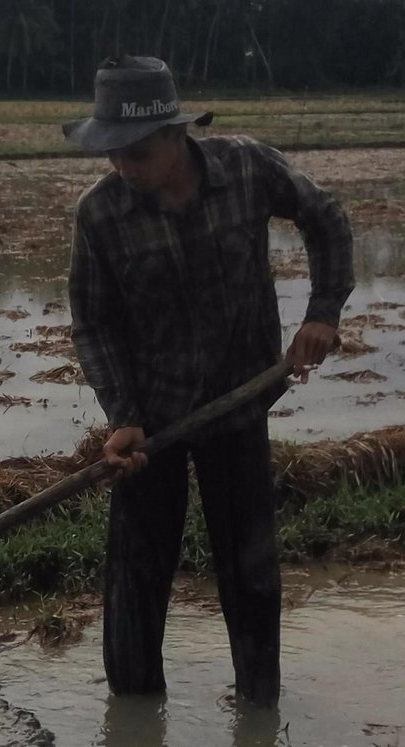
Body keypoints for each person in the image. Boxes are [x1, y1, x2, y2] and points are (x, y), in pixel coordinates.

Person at [63, 55, 354, 708]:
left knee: (251, 573)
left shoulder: (247, 167)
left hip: (240, 401)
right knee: (136, 582)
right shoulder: (101, 214)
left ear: (176, 136)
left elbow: (326, 218)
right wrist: (124, 414)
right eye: (111, 153)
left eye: (135, 152)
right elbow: (94, 322)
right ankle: (134, 722)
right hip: (153, 425)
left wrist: (323, 315)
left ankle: (258, 707)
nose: (122, 167)